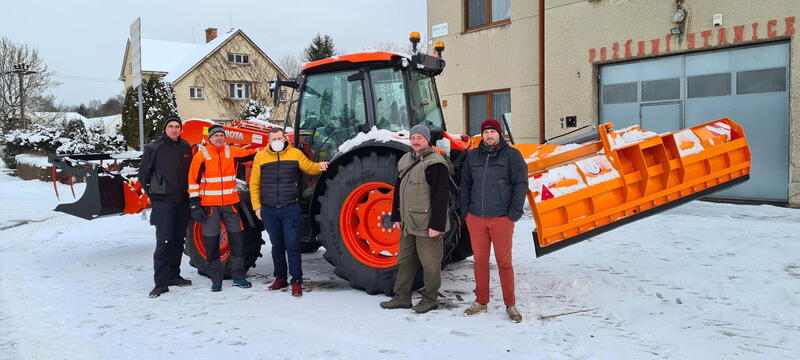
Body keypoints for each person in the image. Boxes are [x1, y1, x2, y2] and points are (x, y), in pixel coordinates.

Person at [460, 118, 528, 323]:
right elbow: (465, 184)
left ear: (499, 134)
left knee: (504, 263)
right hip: (476, 218)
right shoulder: (472, 156)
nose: (489, 135)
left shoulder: (512, 156)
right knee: (479, 262)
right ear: (482, 135)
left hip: (501, 219)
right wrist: (466, 212)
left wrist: (513, 213)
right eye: (486, 132)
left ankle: (510, 304)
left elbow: (520, 184)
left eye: (492, 132)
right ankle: (481, 302)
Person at [380, 124, 452, 314]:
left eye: (419, 138)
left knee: (430, 265)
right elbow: (398, 189)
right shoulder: (405, 159)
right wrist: (396, 215)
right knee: (404, 262)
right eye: (413, 138)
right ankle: (402, 297)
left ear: (427, 140)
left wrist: (436, 225)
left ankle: (430, 300)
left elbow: (440, 196)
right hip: (407, 223)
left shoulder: (435, 163)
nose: (415, 141)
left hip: (428, 225)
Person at [250, 127, 329, 297]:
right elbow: (254, 184)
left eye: (279, 138)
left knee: (292, 245)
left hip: (289, 208)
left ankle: (297, 281)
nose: (277, 141)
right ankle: (280, 278)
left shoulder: (295, 154)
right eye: (273, 139)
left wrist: (320, 166)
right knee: (277, 246)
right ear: (268, 141)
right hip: (269, 209)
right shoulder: (260, 157)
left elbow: (309, 167)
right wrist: (257, 207)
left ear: (285, 139)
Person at [187, 125, 257, 292]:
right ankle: (216, 279)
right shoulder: (201, 156)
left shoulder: (231, 152)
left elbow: (252, 153)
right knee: (211, 243)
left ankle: (238, 277)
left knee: (237, 241)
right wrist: (195, 204)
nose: (219, 138)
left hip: (230, 205)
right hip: (210, 207)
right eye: (216, 135)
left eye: (221, 135)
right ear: (209, 138)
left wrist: (271, 144)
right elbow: (192, 181)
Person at [139, 116, 193, 298]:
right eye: (171, 126)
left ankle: (173, 275)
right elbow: (143, 176)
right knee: (164, 242)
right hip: (164, 202)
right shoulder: (154, 148)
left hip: (182, 201)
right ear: (165, 129)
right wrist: (154, 196)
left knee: (178, 240)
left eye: (177, 126)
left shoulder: (186, 147)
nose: (174, 130)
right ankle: (160, 283)